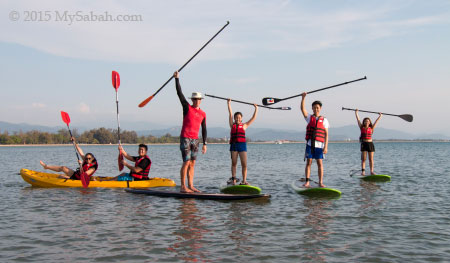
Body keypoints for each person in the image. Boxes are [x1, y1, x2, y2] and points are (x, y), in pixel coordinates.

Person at [174, 71, 207, 193]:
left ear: (200, 100)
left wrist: (205, 144)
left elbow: (204, 129)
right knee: (186, 162)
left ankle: (191, 185)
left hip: (195, 139)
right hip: (186, 137)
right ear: (192, 99)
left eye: (199, 99)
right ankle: (183, 187)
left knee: (192, 163)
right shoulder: (187, 107)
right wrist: (177, 79)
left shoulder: (203, 114)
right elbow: (179, 93)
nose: (197, 101)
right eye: (195, 99)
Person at [227, 99, 258, 185]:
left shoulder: (244, 126)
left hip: (242, 146)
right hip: (233, 146)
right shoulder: (232, 125)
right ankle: (233, 179)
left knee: (244, 164)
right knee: (234, 163)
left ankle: (244, 181)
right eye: (236, 117)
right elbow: (230, 114)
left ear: (241, 119)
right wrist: (228, 103)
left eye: (239, 118)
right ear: (235, 118)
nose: (237, 119)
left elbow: (253, 118)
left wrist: (256, 108)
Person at [300, 92, 329, 188]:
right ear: (312, 108)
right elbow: (302, 109)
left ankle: (320, 182)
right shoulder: (309, 118)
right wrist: (303, 98)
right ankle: (307, 181)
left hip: (320, 146)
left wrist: (326, 147)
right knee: (309, 162)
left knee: (320, 163)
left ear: (320, 109)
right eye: (314, 107)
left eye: (318, 107)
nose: (316, 109)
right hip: (310, 144)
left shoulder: (324, 120)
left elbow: (326, 134)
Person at [355, 109, 382, 175]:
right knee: (363, 159)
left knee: (371, 159)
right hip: (364, 144)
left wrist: (380, 116)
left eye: (368, 121)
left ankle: (371, 171)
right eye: (365, 121)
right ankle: (363, 172)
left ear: (369, 122)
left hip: (370, 144)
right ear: (364, 122)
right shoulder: (362, 127)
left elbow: (376, 121)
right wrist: (356, 113)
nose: (366, 122)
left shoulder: (372, 128)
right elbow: (358, 120)